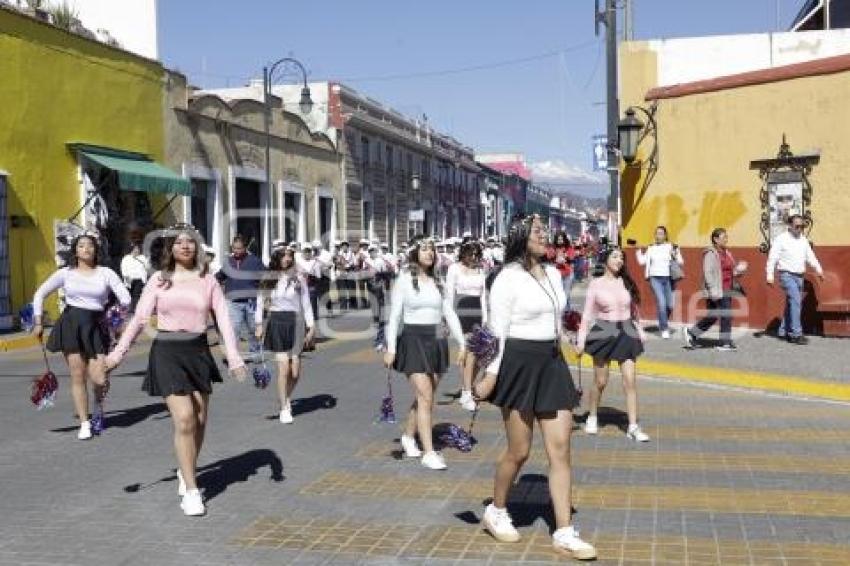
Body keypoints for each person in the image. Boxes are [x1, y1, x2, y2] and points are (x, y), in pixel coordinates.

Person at [474, 214, 595, 560]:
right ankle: (496, 510)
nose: (545, 237)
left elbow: (559, 317)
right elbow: (495, 331)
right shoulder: (506, 279)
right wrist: (491, 375)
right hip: (517, 364)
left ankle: (564, 531)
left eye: (544, 231)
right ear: (520, 236)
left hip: (551, 362)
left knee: (561, 449)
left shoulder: (555, 274)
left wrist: (571, 337)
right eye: (538, 232)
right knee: (520, 451)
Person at [105, 225, 247, 516]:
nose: (185, 247)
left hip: (197, 351)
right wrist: (117, 354)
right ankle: (193, 491)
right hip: (168, 350)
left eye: (191, 243)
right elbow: (139, 318)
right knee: (184, 419)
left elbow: (222, 320)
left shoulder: (208, 280)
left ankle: (186, 469)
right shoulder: (159, 279)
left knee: (200, 419)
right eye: (179, 242)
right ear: (169, 248)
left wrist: (233, 358)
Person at [32, 233, 131, 440]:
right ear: (75, 251)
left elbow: (125, 298)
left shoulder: (106, 273)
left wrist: (114, 320)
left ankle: (97, 407)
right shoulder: (65, 273)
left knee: (99, 378)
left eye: (90, 246)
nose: (86, 249)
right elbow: (40, 293)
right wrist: (38, 322)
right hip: (71, 324)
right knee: (77, 375)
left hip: (97, 326)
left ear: (96, 250)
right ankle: (85, 423)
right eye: (81, 246)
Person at [383, 236, 466, 471]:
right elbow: (394, 317)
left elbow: (449, 313)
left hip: (437, 340)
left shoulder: (438, 281)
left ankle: (409, 436)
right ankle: (429, 452)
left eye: (432, 249)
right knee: (426, 397)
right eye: (425, 249)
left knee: (424, 398)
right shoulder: (404, 280)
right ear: (414, 253)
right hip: (413, 340)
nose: (430, 253)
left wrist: (462, 343)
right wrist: (391, 348)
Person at [576, 247, 649, 442]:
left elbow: (634, 310)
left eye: (621, 257)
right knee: (601, 381)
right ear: (605, 259)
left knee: (630, 380)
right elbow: (586, 315)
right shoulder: (596, 284)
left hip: (626, 331)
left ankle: (633, 426)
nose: (619, 260)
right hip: (604, 331)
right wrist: (581, 341)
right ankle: (592, 416)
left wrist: (639, 330)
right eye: (615, 256)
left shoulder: (625, 282)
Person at [256, 247, 315, 424]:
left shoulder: (298, 278)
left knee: (295, 372)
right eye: (284, 256)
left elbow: (306, 302)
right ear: (277, 259)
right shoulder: (269, 278)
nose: (287, 259)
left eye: (290, 256)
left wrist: (311, 325)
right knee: (284, 369)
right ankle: (283, 407)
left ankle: (286, 396)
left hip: (296, 322)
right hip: (277, 321)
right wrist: (259, 324)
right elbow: (260, 301)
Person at [683, 228, 747, 351]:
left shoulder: (727, 253)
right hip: (717, 289)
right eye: (724, 237)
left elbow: (730, 271)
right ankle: (724, 342)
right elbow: (708, 273)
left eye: (726, 237)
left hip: (728, 288)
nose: (726, 240)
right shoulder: (710, 254)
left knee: (713, 315)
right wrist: (712, 290)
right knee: (725, 315)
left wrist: (739, 270)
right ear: (715, 239)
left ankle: (692, 333)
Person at [766, 215, 825, 345]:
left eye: (802, 226)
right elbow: (772, 257)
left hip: (799, 276)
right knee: (796, 302)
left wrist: (819, 270)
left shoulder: (803, 240)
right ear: (790, 226)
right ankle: (796, 334)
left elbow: (811, 257)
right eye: (797, 226)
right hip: (786, 275)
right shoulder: (781, 239)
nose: (800, 229)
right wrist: (769, 275)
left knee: (791, 303)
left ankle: (783, 331)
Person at [445, 240, 487, 412]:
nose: (474, 257)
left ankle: (466, 387)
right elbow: (448, 295)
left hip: (477, 311)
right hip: (462, 310)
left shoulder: (480, 270)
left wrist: (486, 318)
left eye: (477, 254)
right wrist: (447, 318)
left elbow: (484, 296)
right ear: (463, 253)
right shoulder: (454, 268)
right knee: (470, 352)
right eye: (471, 253)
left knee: (478, 355)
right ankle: (467, 392)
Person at [216, 235, 265, 358]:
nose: (236, 251)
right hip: (233, 302)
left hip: (251, 301)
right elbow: (220, 276)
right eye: (234, 248)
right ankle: (233, 356)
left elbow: (265, 277)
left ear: (245, 248)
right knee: (233, 330)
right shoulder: (228, 261)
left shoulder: (255, 261)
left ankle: (256, 353)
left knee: (253, 329)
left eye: (239, 248)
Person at [635, 226, 684, 339]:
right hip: (654, 278)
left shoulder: (671, 246)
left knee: (670, 305)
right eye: (657, 233)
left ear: (665, 235)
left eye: (661, 233)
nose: (658, 236)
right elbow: (642, 261)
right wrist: (638, 250)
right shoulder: (651, 248)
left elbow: (681, 261)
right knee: (661, 302)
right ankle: (664, 328)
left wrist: (675, 253)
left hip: (668, 279)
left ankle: (663, 320)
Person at [547, 231, 575, 311]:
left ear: (564, 239)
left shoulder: (569, 247)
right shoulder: (553, 248)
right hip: (557, 274)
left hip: (568, 274)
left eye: (561, 239)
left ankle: (563, 312)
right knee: (560, 294)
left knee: (566, 294)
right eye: (558, 239)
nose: (560, 241)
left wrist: (566, 256)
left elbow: (572, 257)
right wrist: (555, 258)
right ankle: (568, 311)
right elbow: (549, 256)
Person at [120, 241, 149, 314]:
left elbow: (147, 268)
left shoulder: (142, 258)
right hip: (129, 279)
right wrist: (126, 277)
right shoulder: (126, 258)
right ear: (131, 249)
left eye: (138, 249)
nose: (136, 250)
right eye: (135, 249)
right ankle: (127, 308)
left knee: (136, 294)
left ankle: (134, 309)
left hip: (139, 279)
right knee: (128, 294)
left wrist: (148, 261)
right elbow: (123, 268)